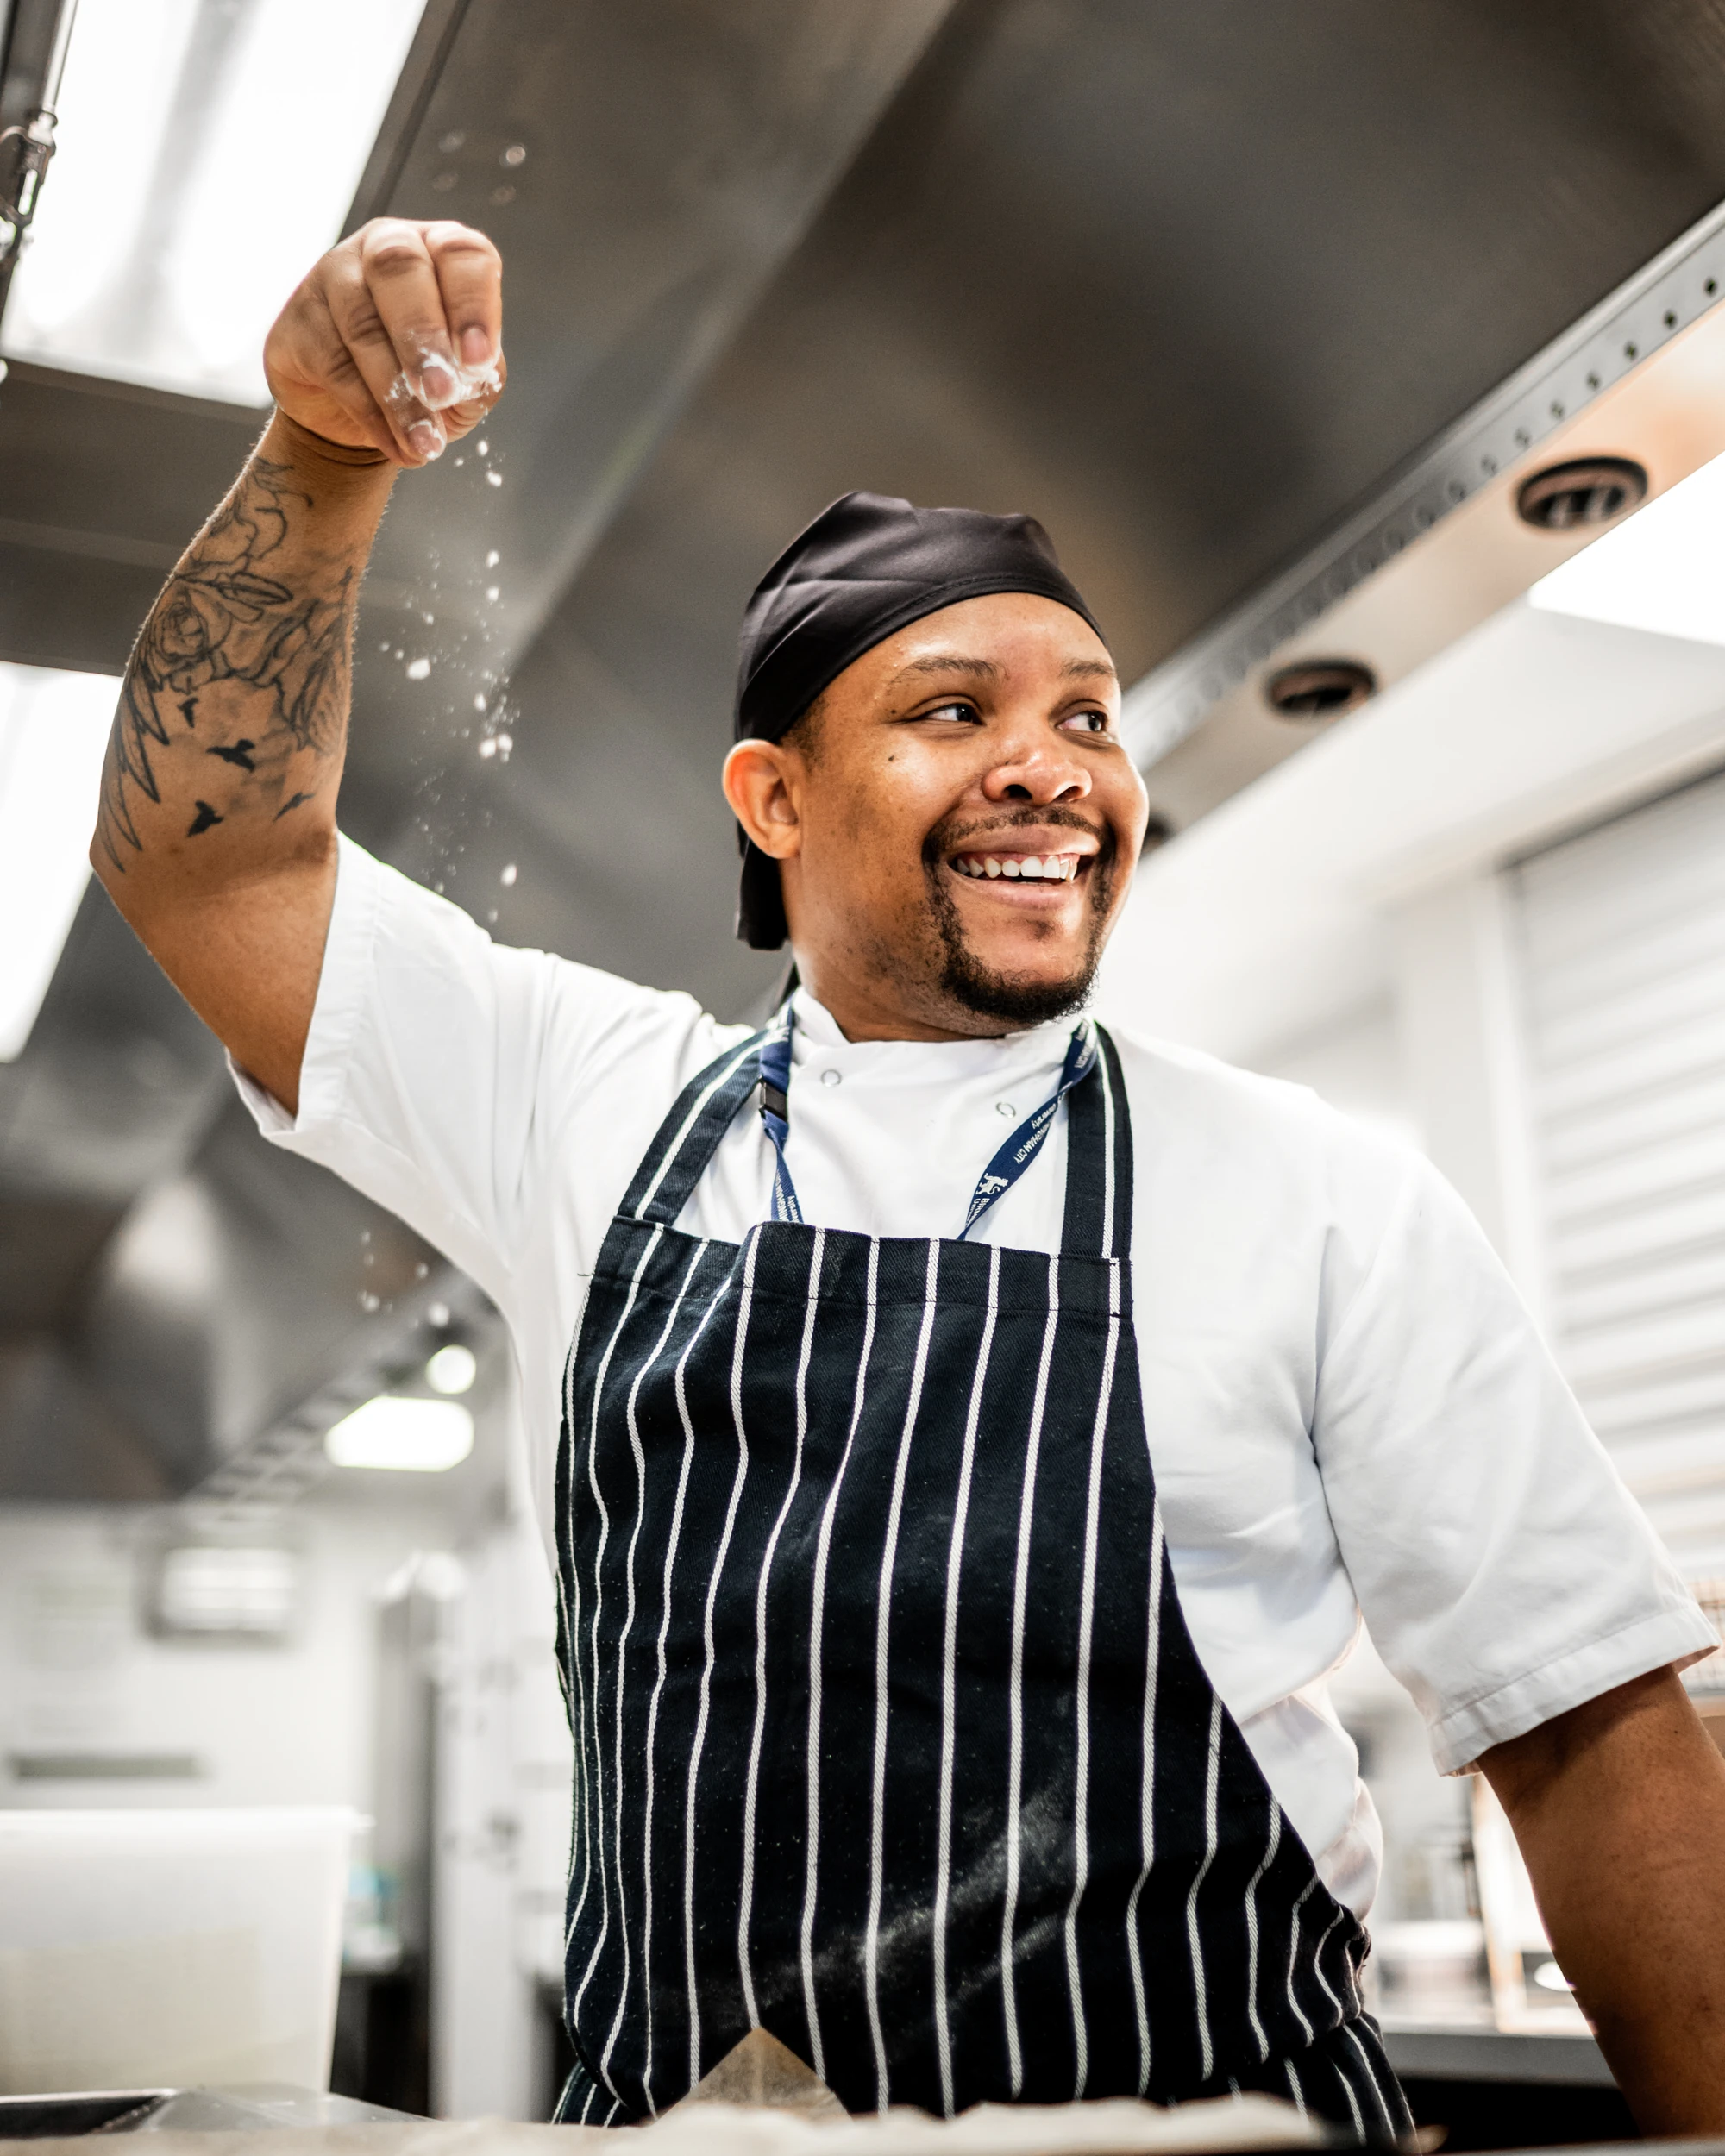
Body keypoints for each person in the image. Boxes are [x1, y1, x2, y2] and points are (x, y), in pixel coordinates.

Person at [94, 218, 1725, 2138]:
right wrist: (317, 448)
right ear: (774, 800)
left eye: (1090, 715)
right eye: (954, 708)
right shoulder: (588, 1102)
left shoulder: (1318, 1193)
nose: (1054, 766)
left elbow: (1587, 1725)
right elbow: (218, 867)